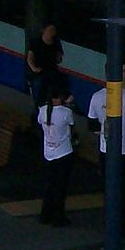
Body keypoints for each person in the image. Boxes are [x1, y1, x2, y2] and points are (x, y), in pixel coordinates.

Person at [86, 66, 125, 237]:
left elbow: (92, 125)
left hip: (105, 149)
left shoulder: (96, 97)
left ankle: (111, 224)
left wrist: (104, 133)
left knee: (110, 188)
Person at [35, 77, 75, 227]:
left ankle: (45, 214)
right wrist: (69, 104)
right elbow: (71, 124)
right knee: (60, 187)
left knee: (49, 186)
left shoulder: (43, 110)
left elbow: (40, 121)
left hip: (48, 153)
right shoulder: (65, 113)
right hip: (63, 153)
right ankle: (59, 217)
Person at [25, 23, 62, 106]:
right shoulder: (35, 42)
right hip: (39, 72)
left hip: (51, 71)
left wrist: (58, 57)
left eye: (54, 30)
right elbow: (30, 58)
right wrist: (34, 68)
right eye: (50, 30)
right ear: (43, 30)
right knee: (39, 86)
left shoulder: (56, 43)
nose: (52, 33)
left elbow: (59, 58)